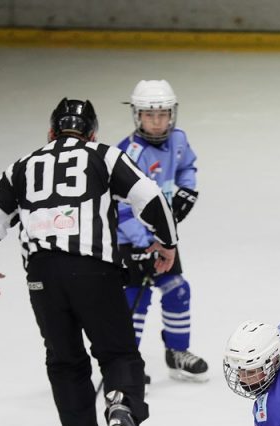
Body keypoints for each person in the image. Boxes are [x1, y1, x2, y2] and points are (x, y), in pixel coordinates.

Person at [0, 98, 178, 426]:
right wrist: (167, 243)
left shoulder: (22, 166)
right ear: (92, 134)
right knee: (118, 353)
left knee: (65, 365)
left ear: (50, 133)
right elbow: (150, 197)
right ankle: (121, 404)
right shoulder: (103, 156)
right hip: (95, 270)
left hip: (42, 277)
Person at [116, 79, 208, 383]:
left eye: (163, 114)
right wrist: (145, 241)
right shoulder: (127, 153)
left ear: (172, 114)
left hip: (162, 238)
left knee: (178, 290)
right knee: (135, 299)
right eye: (149, 115)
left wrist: (187, 190)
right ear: (137, 115)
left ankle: (177, 352)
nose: (157, 122)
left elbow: (187, 167)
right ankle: (127, 362)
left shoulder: (178, 140)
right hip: (130, 240)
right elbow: (119, 206)